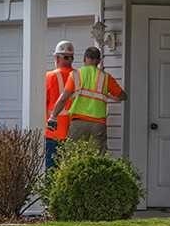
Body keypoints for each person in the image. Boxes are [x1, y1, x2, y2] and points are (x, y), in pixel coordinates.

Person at [47, 46, 127, 153]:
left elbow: (63, 98)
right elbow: (123, 96)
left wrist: (53, 117)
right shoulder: (106, 77)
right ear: (99, 61)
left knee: (74, 158)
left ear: (84, 59)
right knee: (96, 160)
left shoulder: (76, 75)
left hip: (78, 123)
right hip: (98, 124)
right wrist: (109, 96)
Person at [44, 41, 76, 169]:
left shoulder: (50, 76)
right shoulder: (79, 76)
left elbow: (43, 102)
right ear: (72, 58)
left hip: (54, 131)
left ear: (57, 58)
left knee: (52, 171)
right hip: (74, 130)